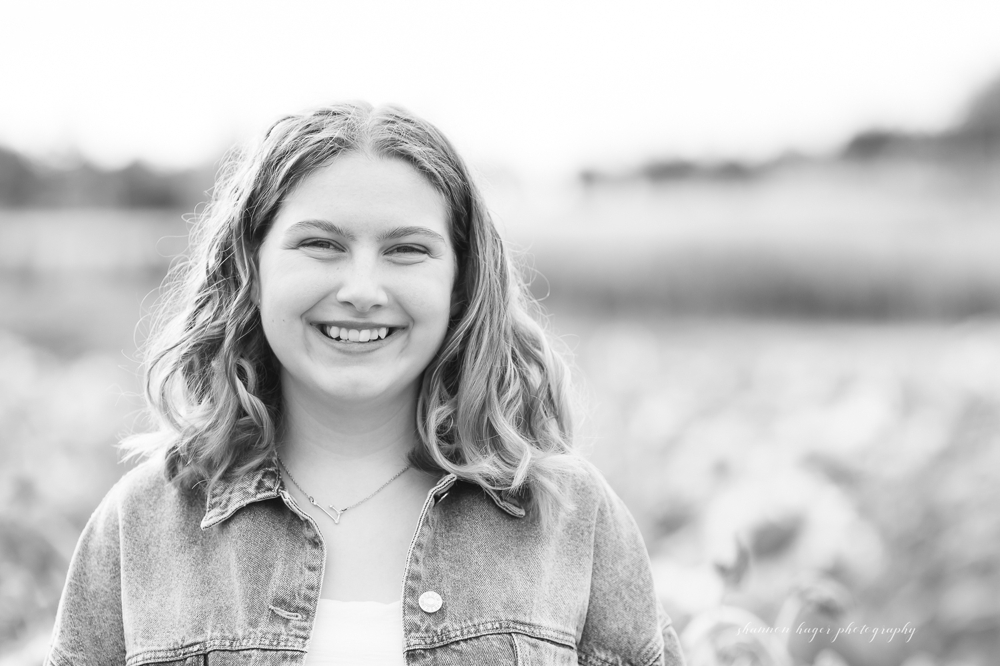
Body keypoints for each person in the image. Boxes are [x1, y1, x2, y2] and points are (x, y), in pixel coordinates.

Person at [45, 102, 686, 666]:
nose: (361, 291)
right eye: (321, 244)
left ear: (460, 282)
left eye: (407, 250)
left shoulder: (571, 516)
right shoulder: (143, 521)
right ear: (252, 268)